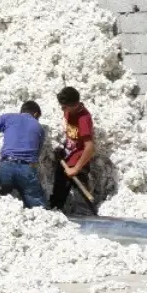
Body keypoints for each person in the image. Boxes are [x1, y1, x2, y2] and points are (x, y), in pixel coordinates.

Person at [0, 101, 47, 208]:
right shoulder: (39, 128)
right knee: (37, 205)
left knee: (2, 200)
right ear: (36, 114)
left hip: (6, 166)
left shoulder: (8, 118)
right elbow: (37, 155)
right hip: (26, 169)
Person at [49, 85, 96, 213]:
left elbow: (90, 147)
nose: (62, 109)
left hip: (79, 163)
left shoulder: (83, 119)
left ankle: (89, 222)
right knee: (57, 196)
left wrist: (76, 168)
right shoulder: (68, 110)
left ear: (75, 105)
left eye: (65, 107)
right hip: (66, 159)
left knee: (83, 201)